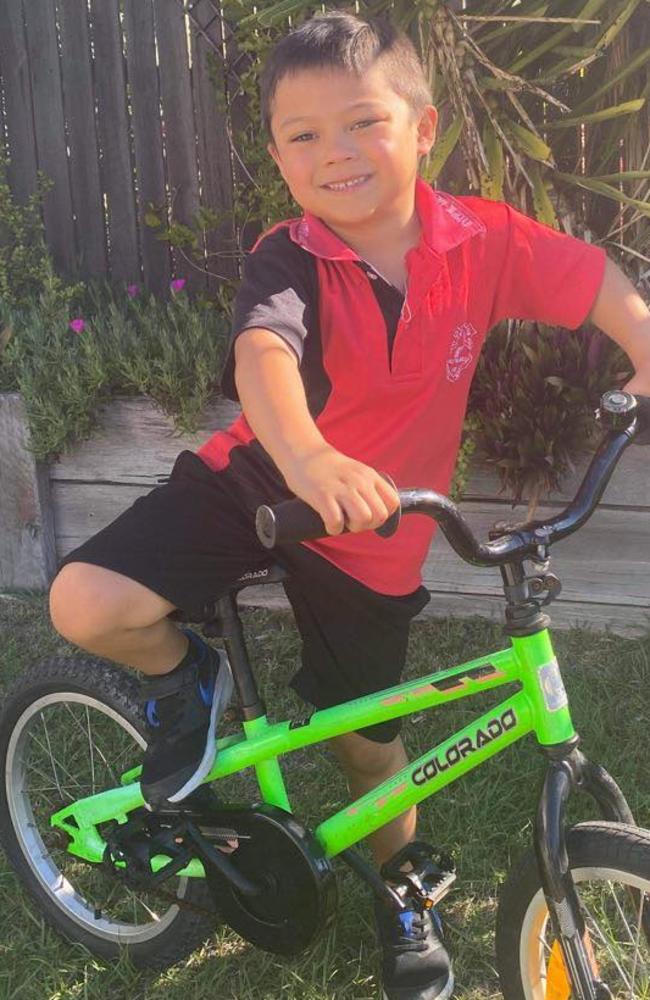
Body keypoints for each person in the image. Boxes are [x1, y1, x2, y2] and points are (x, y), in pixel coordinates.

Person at [49, 10, 650, 999]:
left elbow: (588, 279)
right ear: (279, 158)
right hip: (259, 477)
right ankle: (186, 681)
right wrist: (308, 454)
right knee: (87, 601)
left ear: (420, 129)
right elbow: (262, 356)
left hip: (379, 524)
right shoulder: (286, 256)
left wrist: (640, 340)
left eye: (362, 122)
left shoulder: (480, 241)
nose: (335, 154)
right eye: (303, 135)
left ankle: (400, 885)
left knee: (363, 740)